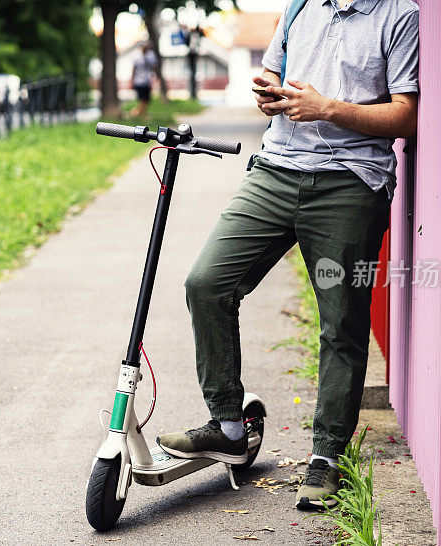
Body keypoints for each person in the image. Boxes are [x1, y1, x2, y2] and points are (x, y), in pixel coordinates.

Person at [157, 0, 419, 510]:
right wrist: (269, 95)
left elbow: (407, 116)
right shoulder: (299, 6)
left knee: (341, 322)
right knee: (206, 283)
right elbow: (274, 77)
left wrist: (328, 108)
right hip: (276, 169)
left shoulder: (399, 15)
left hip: (351, 180)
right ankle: (229, 426)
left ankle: (326, 458)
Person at [130, 42, 157, 118]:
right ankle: (141, 114)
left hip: (147, 81)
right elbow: (133, 69)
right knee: (142, 99)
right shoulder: (137, 56)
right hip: (139, 81)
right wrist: (131, 81)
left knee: (147, 100)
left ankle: (138, 112)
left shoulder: (151, 55)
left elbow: (154, 66)